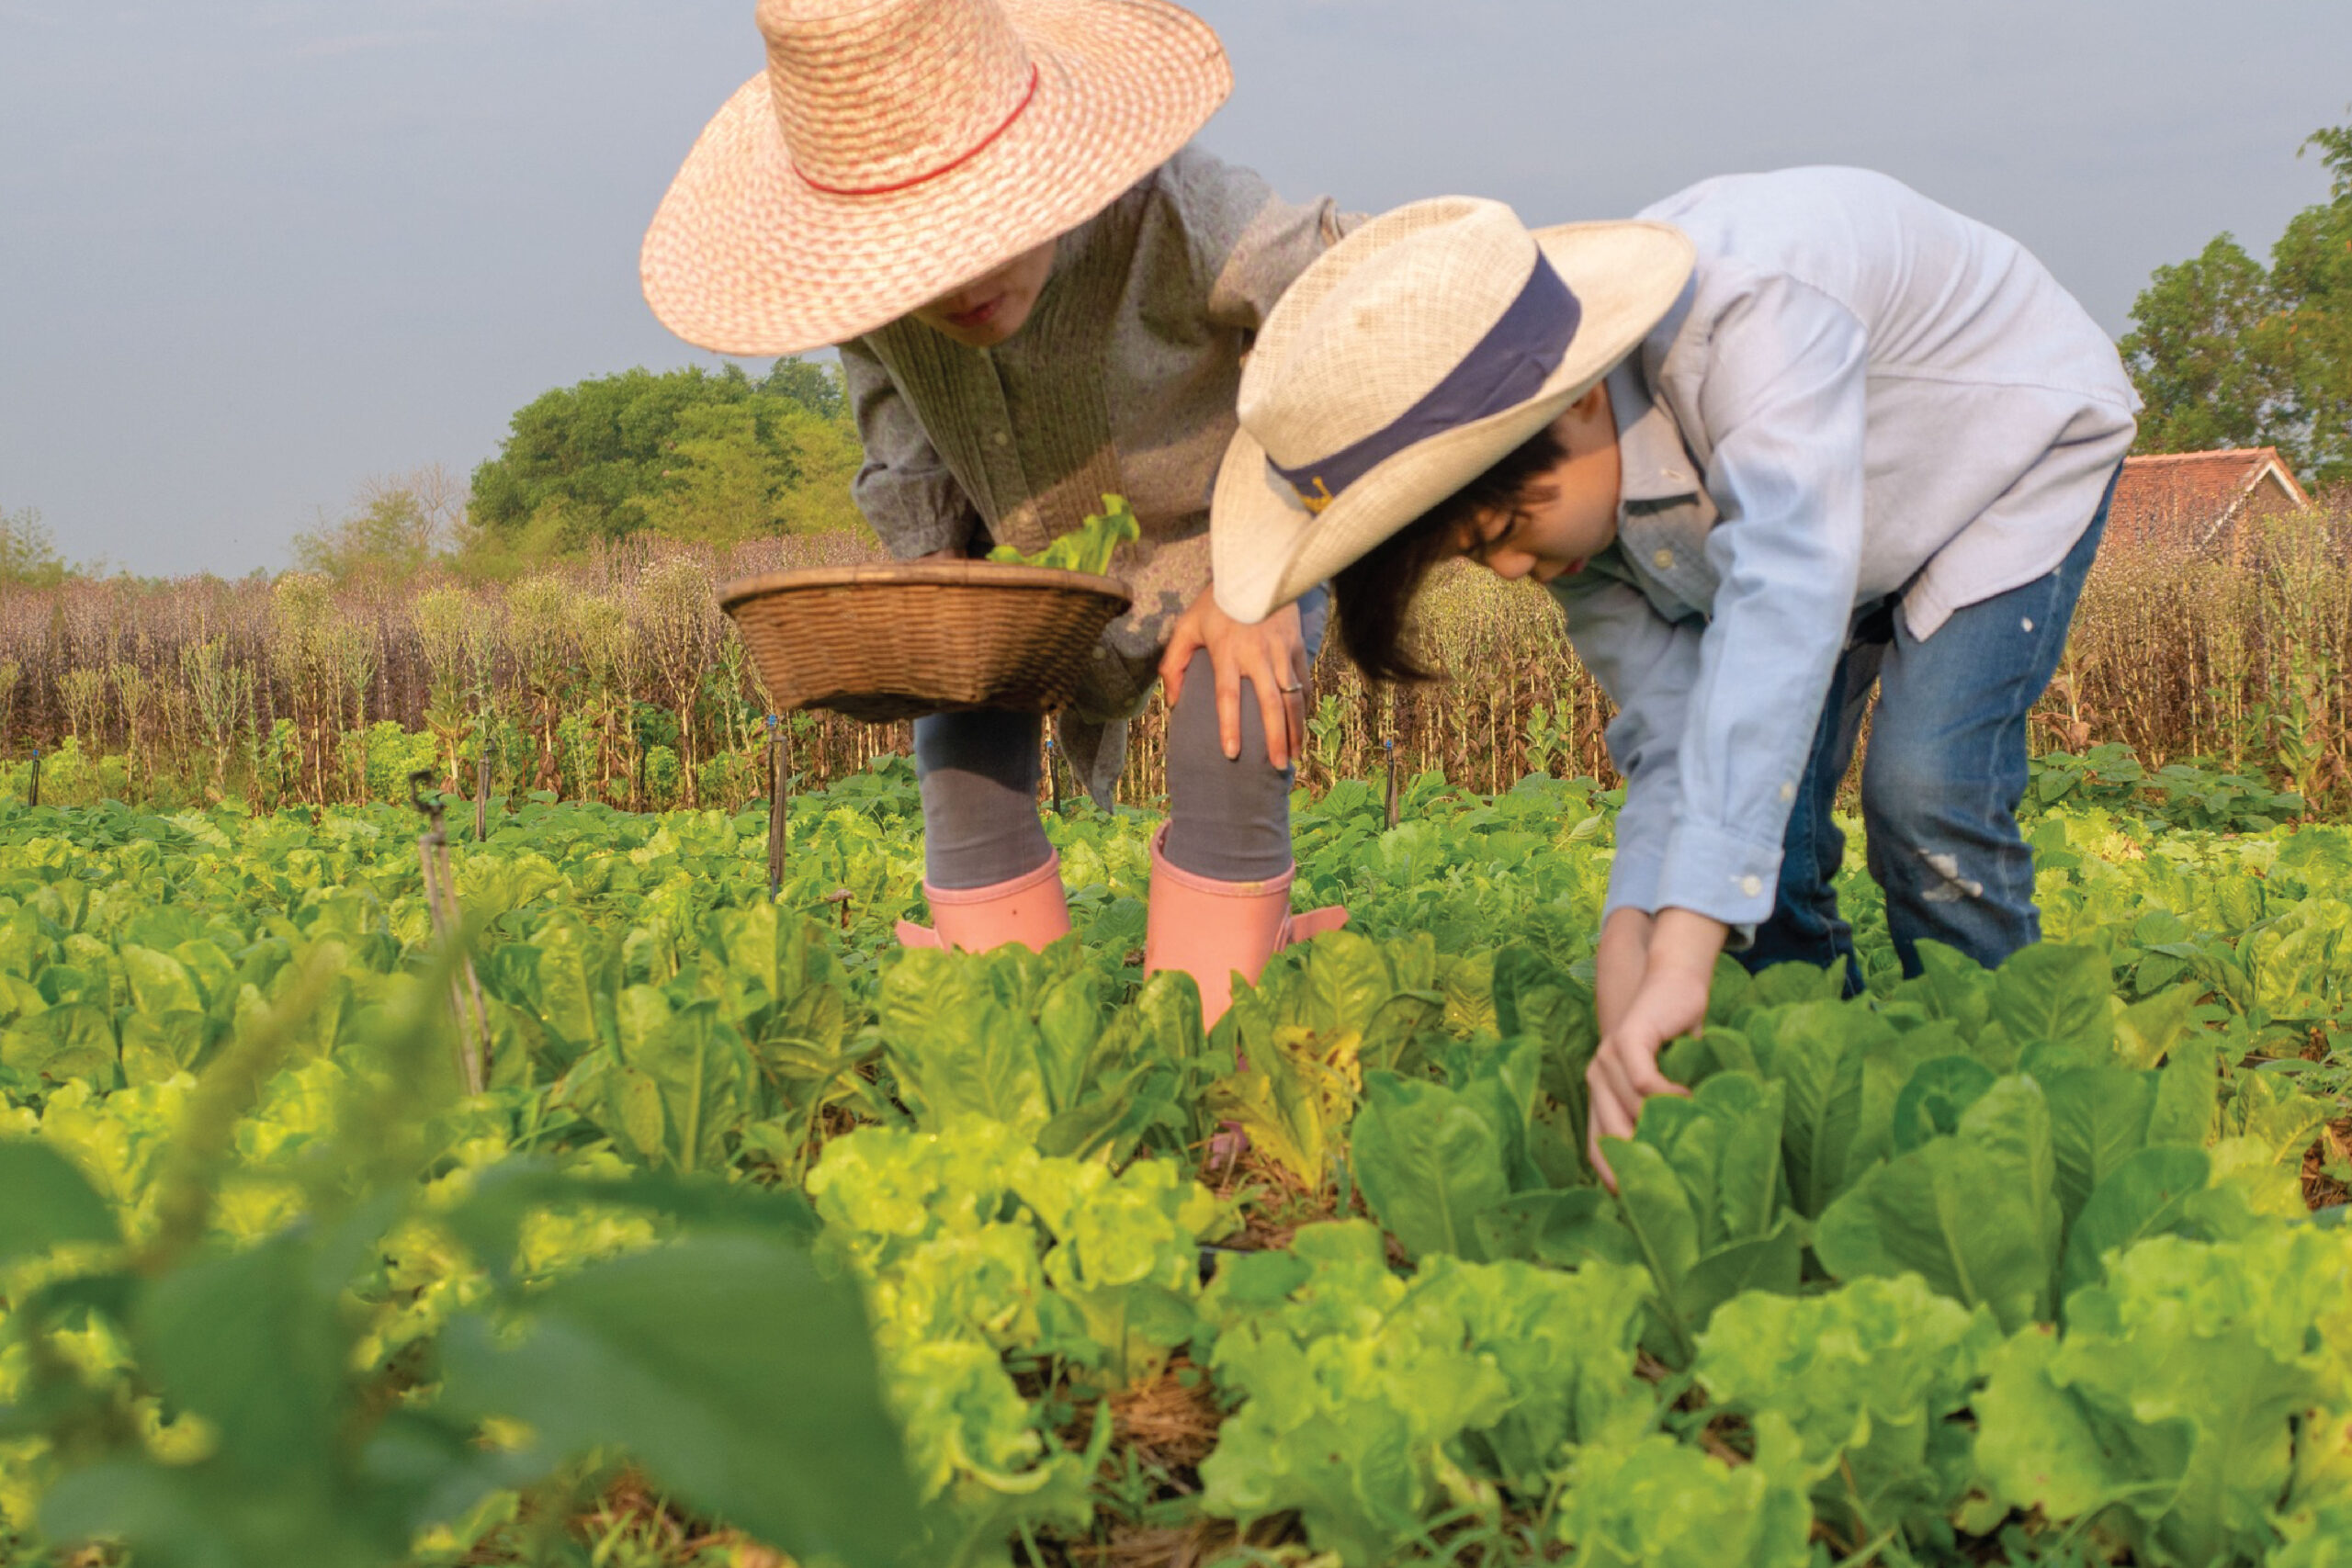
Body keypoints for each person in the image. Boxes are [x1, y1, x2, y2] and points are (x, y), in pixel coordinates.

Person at [1206, 172, 2138, 1176]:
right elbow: (1673, 735)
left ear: (1569, 412)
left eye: (1509, 530)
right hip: (1839, 530)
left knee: (1924, 793)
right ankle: (1837, 1105)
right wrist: (1631, 970)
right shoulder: (1573, 533)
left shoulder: (1750, 318)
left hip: (2000, 462)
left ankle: (2027, 1107)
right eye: (1481, 559)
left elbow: (1782, 607)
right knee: (1760, 844)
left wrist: (1688, 952)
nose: (1517, 570)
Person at [639, 0, 1348, 1023]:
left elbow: (1360, 317)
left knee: (1228, 737)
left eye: (984, 228)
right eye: (915, 258)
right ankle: (1010, 1052)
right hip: (1014, 564)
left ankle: (1217, 1054)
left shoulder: (1195, 218)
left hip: (1229, 549)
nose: (959, 282)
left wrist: (1266, 568)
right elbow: (903, 440)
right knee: (962, 765)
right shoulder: (871, 302)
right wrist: (934, 585)